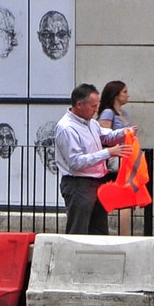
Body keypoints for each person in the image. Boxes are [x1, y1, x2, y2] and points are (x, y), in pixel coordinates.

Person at [54, 82, 127, 235]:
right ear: (79, 105)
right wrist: (108, 153)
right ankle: (75, 258)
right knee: (79, 229)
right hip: (79, 184)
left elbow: (106, 135)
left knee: (99, 229)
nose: (96, 110)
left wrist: (124, 133)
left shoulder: (91, 123)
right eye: (93, 106)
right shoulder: (66, 128)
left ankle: (97, 257)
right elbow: (76, 162)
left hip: (96, 181)